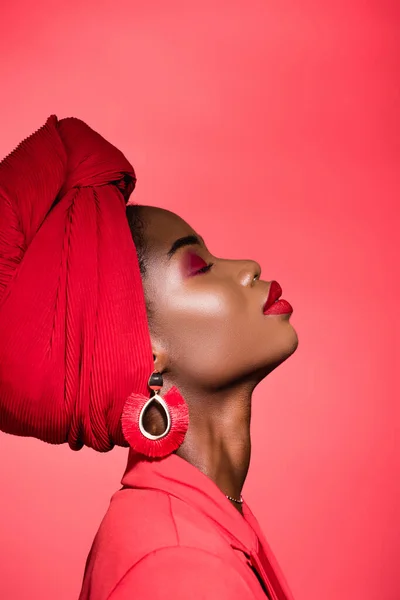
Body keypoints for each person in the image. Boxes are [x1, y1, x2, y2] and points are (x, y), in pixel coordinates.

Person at [0, 116, 298, 600]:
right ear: (146, 349)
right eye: (200, 268)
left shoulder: (210, 524)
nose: (248, 268)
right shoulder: (178, 568)